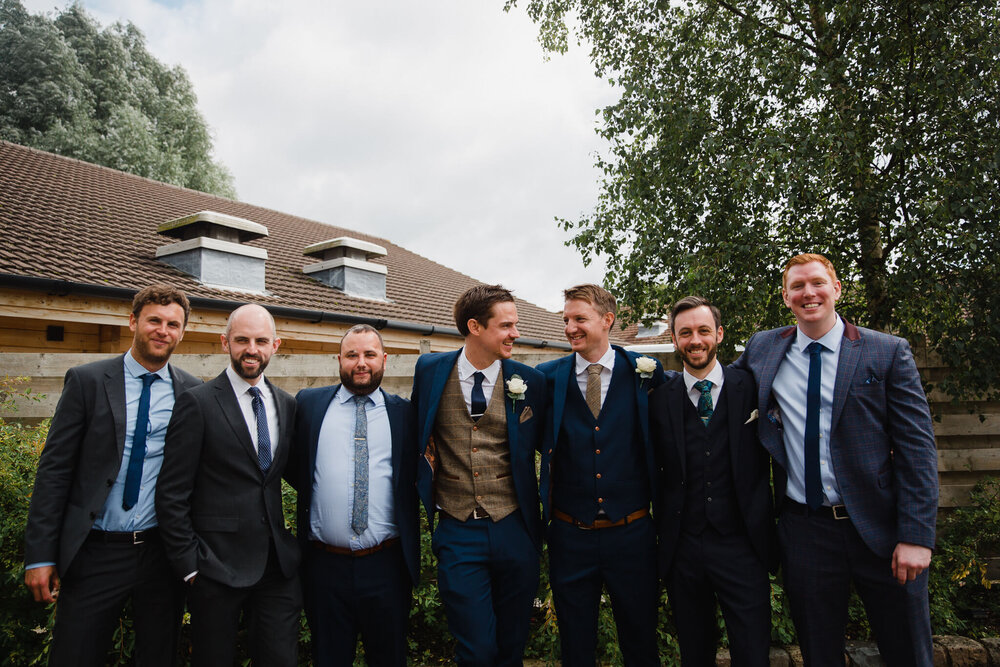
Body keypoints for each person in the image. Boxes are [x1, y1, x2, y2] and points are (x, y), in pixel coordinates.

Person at [733, 253, 938, 666]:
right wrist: (638, 376)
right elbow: (718, 388)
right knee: (818, 653)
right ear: (787, 297)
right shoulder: (763, 348)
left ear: (837, 288)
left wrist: (916, 535)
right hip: (805, 531)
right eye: (797, 286)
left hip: (881, 530)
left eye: (817, 283)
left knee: (908, 652)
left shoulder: (886, 351)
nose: (808, 293)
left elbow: (918, 448)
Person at [23, 284, 200, 667]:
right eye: (154, 320)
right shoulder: (88, 381)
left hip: (160, 553)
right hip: (96, 550)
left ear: (182, 332)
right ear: (133, 320)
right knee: (74, 654)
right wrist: (39, 556)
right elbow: (54, 469)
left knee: (158, 657)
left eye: (173, 324)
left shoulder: (192, 393)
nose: (162, 330)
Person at [156, 303, 300, 667]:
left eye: (261, 341)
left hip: (276, 569)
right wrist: (190, 566)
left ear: (275, 345)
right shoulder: (198, 403)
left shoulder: (286, 405)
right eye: (242, 340)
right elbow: (172, 493)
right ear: (225, 343)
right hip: (214, 567)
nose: (252, 349)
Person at [411, 284, 546, 666]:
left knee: (511, 647)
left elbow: (551, 446)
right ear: (474, 326)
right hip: (457, 529)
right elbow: (416, 436)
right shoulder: (430, 371)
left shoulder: (529, 381)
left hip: (515, 527)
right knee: (476, 648)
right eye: (506, 326)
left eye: (515, 325)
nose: (515, 334)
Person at [536, 284, 666, 666]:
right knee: (575, 648)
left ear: (607, 320)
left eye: (580, 319)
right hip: (570, 536)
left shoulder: (646, 372)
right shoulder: (547, 379)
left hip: (633, 534)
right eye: (566, 320)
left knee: (641, 642)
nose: (570, 327)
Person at [650, 296, 774, 666]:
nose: (695, 340)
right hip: (683, 547)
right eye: (685, 332)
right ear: (674, 339)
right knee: (694, 652)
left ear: (718, 334)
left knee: (753, 652)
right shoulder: (658, 399)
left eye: (704, 330)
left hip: (743, 545)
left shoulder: (752, 387)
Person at [290, 324, 418, 666]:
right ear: (339, 360)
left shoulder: (405, 414)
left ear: (384, 360)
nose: (361, 363)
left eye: (369, 355)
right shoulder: (309, 405)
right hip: (324, 566)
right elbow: (293, 468)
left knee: (389, 658)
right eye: (352, 355)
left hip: (387, 564)